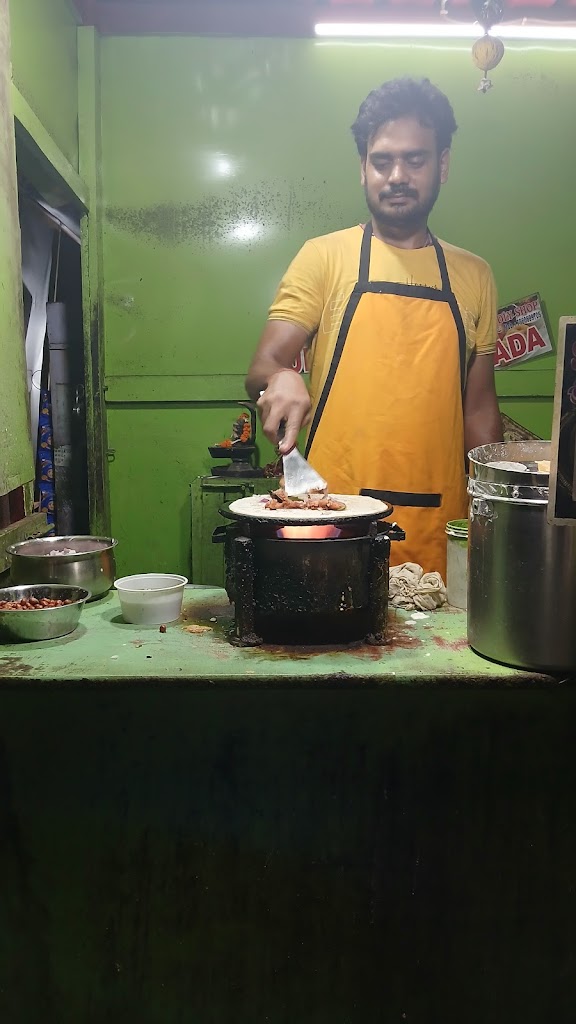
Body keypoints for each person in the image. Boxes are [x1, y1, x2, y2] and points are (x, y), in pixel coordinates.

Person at [245, 77, 503, 576]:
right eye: (382, 161)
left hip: (441, 524)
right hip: (331, 520)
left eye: (415, 159)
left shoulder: (474, 275)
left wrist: (493, 507)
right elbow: (263, 366)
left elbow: (480, 408)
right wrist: (280, 377)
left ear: (442, 165)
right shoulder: (324, 257)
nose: (397, 175)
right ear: (363, 169)